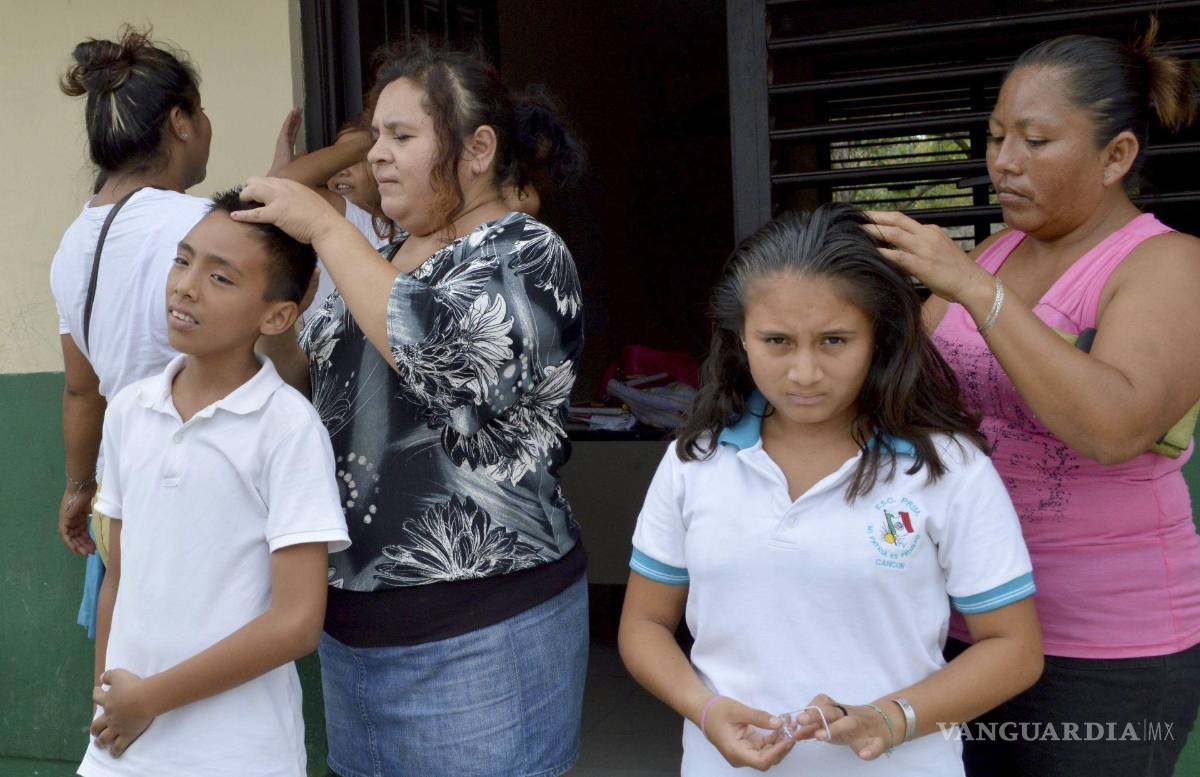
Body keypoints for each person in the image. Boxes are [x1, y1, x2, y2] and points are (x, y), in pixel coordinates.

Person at [240, 41, 588, 777]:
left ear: (477, 148)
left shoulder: (525, 251)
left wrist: (328, 227)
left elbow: (434, 355)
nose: (379, 157)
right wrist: (271, 318)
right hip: (357, 633)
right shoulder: (383, 256)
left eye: (402, 137)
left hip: (481, 631)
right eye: (377, 137)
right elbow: (314, 381)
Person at [866, 22, 1200, 777]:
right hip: (974, 628)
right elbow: (912, 395)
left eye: (1036, 141)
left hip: (1107, 648)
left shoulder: (1168, 265)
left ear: (1117, 156)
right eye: (994, 137)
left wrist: (977, 292)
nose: (1003, 163)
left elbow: (1114, 426)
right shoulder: (998, 252)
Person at [618, 203, 1043, 776]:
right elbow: (643, 625)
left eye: (835, 340)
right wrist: (705, 708)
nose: (804, 373)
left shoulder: (947, 466)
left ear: (881, 337)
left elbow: (1014, 649)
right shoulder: (697, 459)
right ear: (739, 337)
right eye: (776, 341)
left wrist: (895, 717)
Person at [79, 190, 350, 777]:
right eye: (183, 260)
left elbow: (297, 622)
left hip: (236, 754)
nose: (185, 286)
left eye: (221, 278)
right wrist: (109, 704)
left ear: (276, 316)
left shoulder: (287, 427)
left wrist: (148, 699)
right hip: (122, 749)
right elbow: (118, 578)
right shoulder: (129, 411)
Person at [51, 27, 213, 636]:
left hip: (123, 492)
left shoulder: (73, 244)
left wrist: (78, 486)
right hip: (201, 488)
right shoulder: (201, 225)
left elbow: (81, 389)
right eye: (201, 115)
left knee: (135, 669)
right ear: (178, 122)